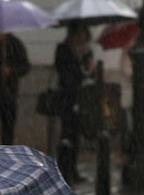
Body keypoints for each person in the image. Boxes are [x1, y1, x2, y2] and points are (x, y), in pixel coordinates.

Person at [55, 22, 96, 183]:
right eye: (80, 36)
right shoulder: (63, 49)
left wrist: (88, 67)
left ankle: (74, 169)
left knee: (76, 135)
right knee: (67, 134)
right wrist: (79, 67)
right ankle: (64, 169)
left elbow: (90, 77)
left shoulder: (87, 52)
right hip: (67, 98)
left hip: (82, 98)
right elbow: (65, 74)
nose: (82, 40)